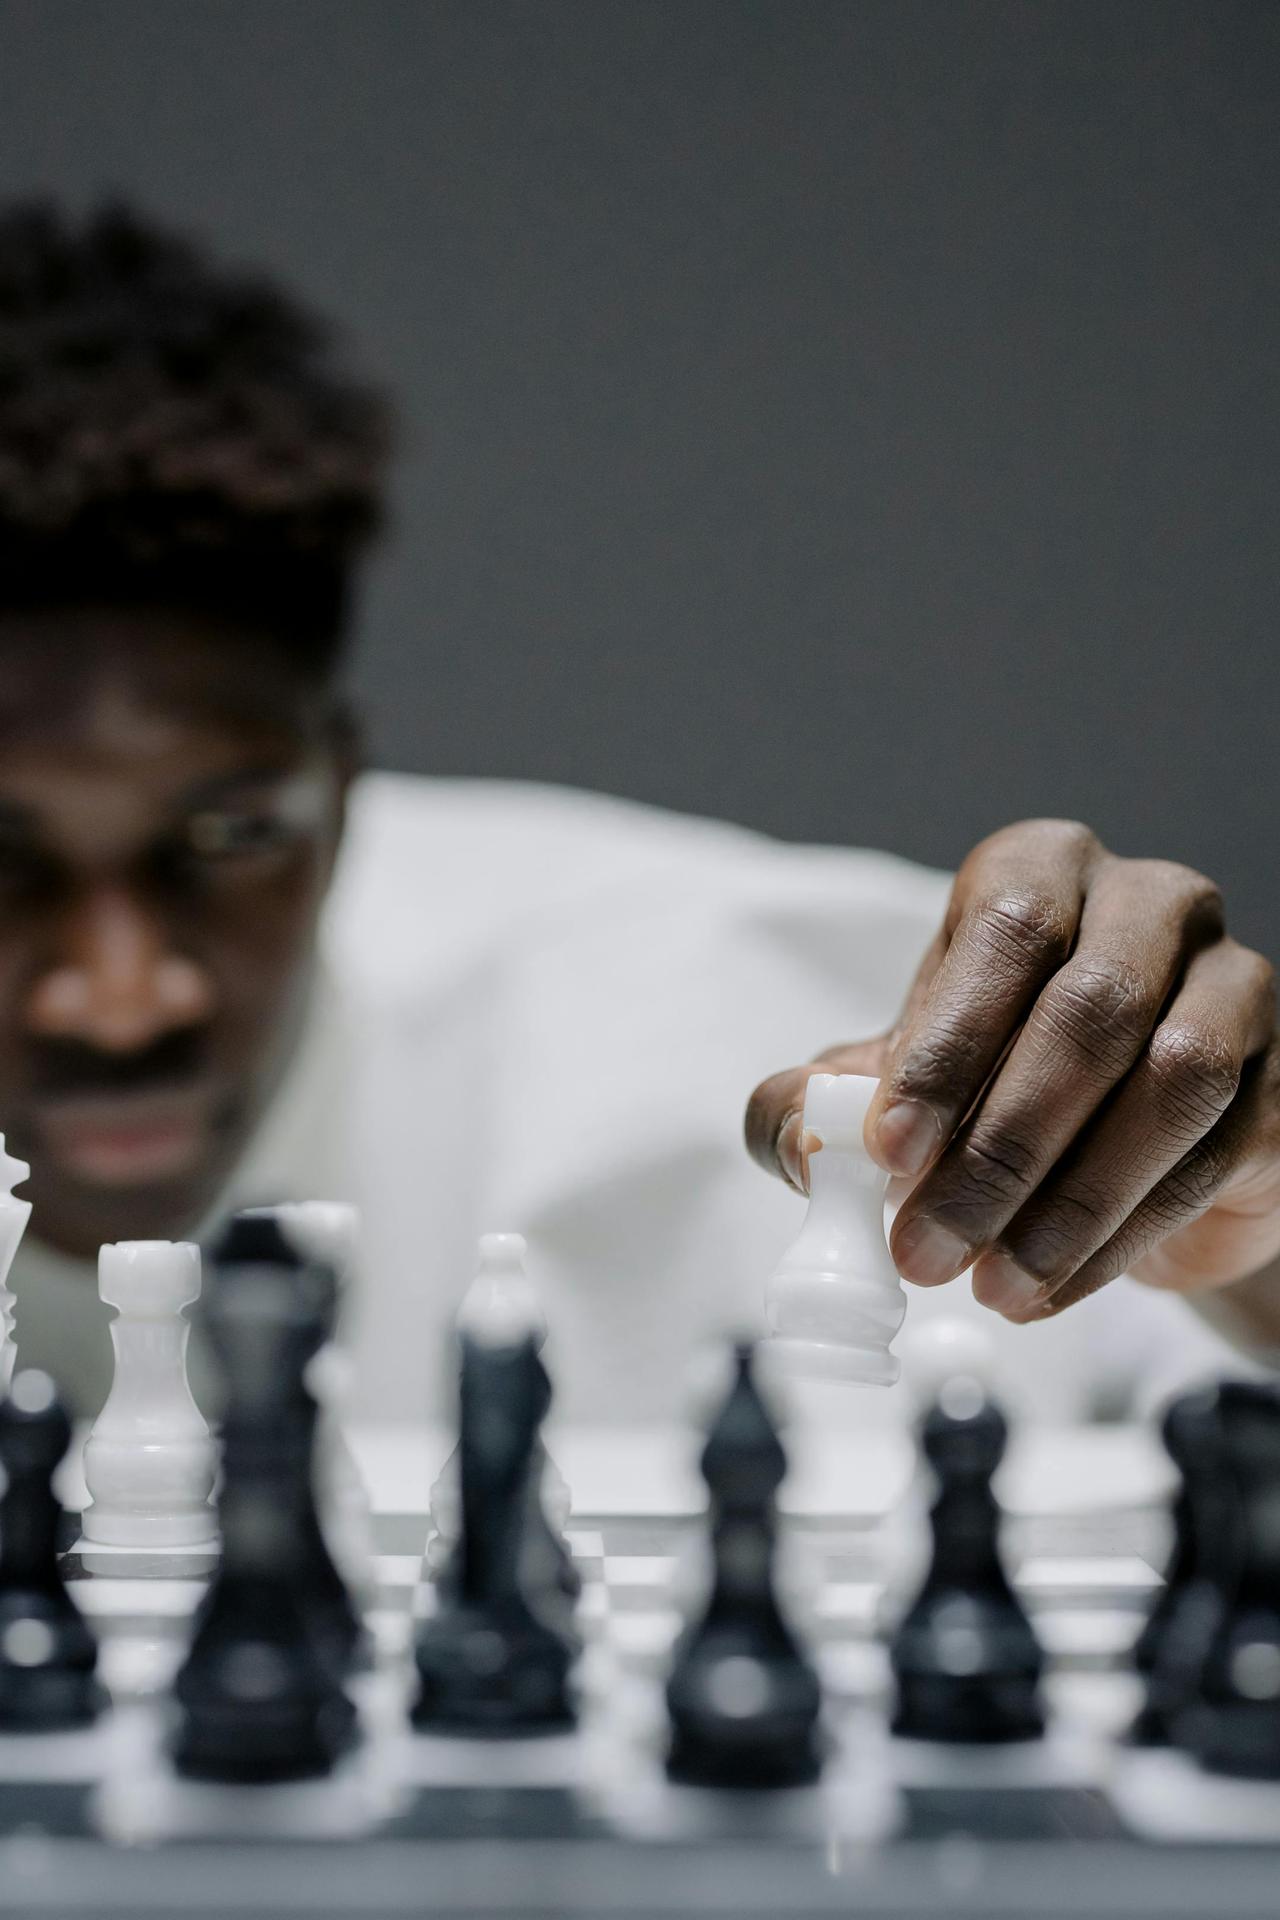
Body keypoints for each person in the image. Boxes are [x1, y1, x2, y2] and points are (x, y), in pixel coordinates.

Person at [0, 200, 1275, 1425]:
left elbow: (1200, 1338)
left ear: (341, 791)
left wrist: (1255, 1237)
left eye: (232, 836)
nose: (120, 1005)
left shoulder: (762, 1009)